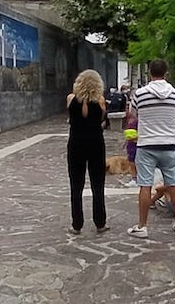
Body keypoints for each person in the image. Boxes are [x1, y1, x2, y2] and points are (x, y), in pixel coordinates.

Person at [127, 59, 175, 238]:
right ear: (166, 73)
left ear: (149, 73)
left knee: (145, 184)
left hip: (146, 144)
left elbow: (132, 113)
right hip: (169, 143)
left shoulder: (140, 93)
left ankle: (142, 226)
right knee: (173, 183)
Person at [65, 69, 109, 234]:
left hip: (75, 143)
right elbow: (101, 119)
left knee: (76, 185)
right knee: (98, 184)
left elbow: (72, 117)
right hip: (96, 143)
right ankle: (100, 222)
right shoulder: (101, 101)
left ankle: (77, 224)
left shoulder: (70, 99)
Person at [124, 112, 138, 187]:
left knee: (134, 162)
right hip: (130, 144)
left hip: (136, 144)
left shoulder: (137, 121)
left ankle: (136, 178)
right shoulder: (129, 120)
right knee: (131, 161)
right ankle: (134, 178)